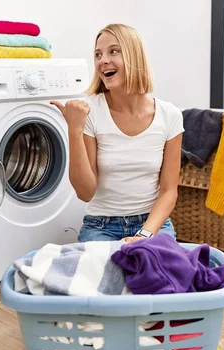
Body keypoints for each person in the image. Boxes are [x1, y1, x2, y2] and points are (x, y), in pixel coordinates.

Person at [51, 23, 184, 244]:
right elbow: (85, 193)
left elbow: (169, 191)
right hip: (101, 227)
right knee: (108, 273)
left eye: (113, 51)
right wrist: (74, 131)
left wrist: (143, 235)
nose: (102, 60)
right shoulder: (90, 112)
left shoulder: (169, 115)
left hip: (151, 224)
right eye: (98, 54)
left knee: (156, 271)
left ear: (135, 56)